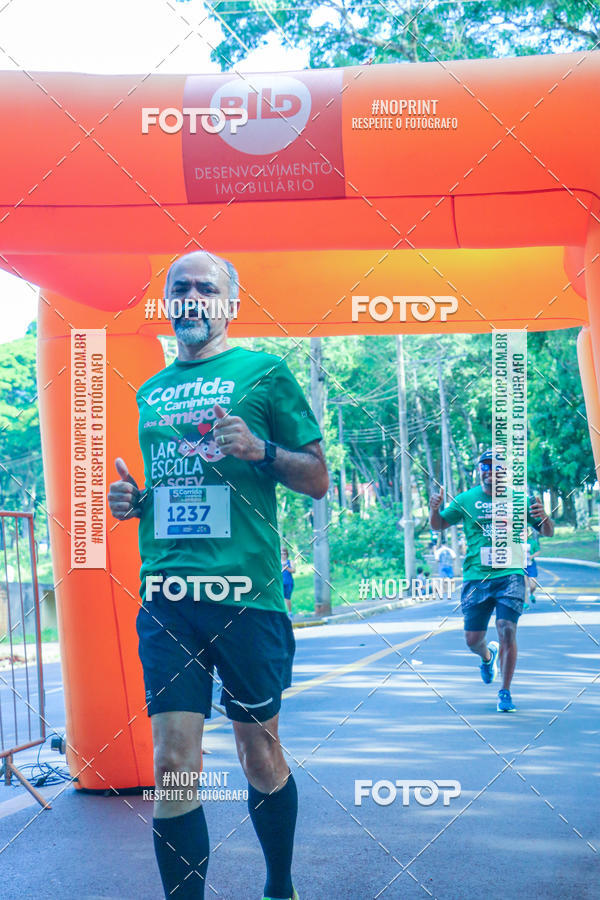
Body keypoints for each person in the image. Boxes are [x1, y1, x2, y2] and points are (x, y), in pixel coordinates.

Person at [108, 250, 328, 900]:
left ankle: (280, 885)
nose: (193, 297)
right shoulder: (152, 390)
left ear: (230, 302)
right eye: (181, 287)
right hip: (170, 596)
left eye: (207, 287)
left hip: (247, 597)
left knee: (257, 755)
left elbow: (316, 478)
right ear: (168, 301)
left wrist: (260, 450)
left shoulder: (264, 373)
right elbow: (182, 487)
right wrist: (136, 502)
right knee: (175, 765)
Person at [429, 449, 554, 713]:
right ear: (479, 471)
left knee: (506, 627)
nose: (489, 471)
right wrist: (434, 509)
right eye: (484, 466)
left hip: (510, 574)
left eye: (495, 466)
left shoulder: (520, 499)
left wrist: (543, 515)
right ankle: (488, 657)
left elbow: (547, 531)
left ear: (505, 472)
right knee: (472, 640)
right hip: (477, 576)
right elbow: (438, 525)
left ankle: (505, 691)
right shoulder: (466, 499)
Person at [525, 527, 541, 605]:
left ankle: (531, 594)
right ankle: (525, 603)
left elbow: (538, 551)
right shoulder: (517, 542)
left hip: (531, 565)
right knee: (524, 585)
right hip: (522, 566)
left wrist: (532, 556)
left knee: (533, 585)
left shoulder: (532, 542)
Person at [281, 547, 295, 615]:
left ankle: (290, 612)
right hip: (280, 583)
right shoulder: (277, 562)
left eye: (284, 554)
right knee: (280, 598)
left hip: (288, 582)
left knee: (287, 597)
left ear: (287, 554)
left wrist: (287, 568)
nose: (283, 555)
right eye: (281, 554)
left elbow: (293, 570)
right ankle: (282, 613)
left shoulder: (290, 562)